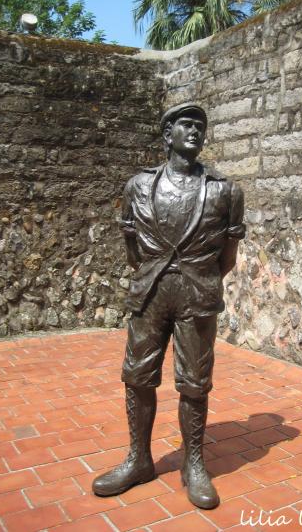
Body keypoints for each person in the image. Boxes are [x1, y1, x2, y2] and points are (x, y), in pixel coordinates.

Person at [92, 103, 245, 509]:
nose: (194, 132)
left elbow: (227, 258)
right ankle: (139, 459)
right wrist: (159, 274)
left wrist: (198, 279)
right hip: (151, 292)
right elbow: (133, 250)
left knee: (195, 382)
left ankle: (194, 463)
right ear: (167, 134)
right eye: (186, 125)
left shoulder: (226, 190)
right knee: (138, 376)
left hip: (198, 294)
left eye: (200, 127)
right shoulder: (138, 186)